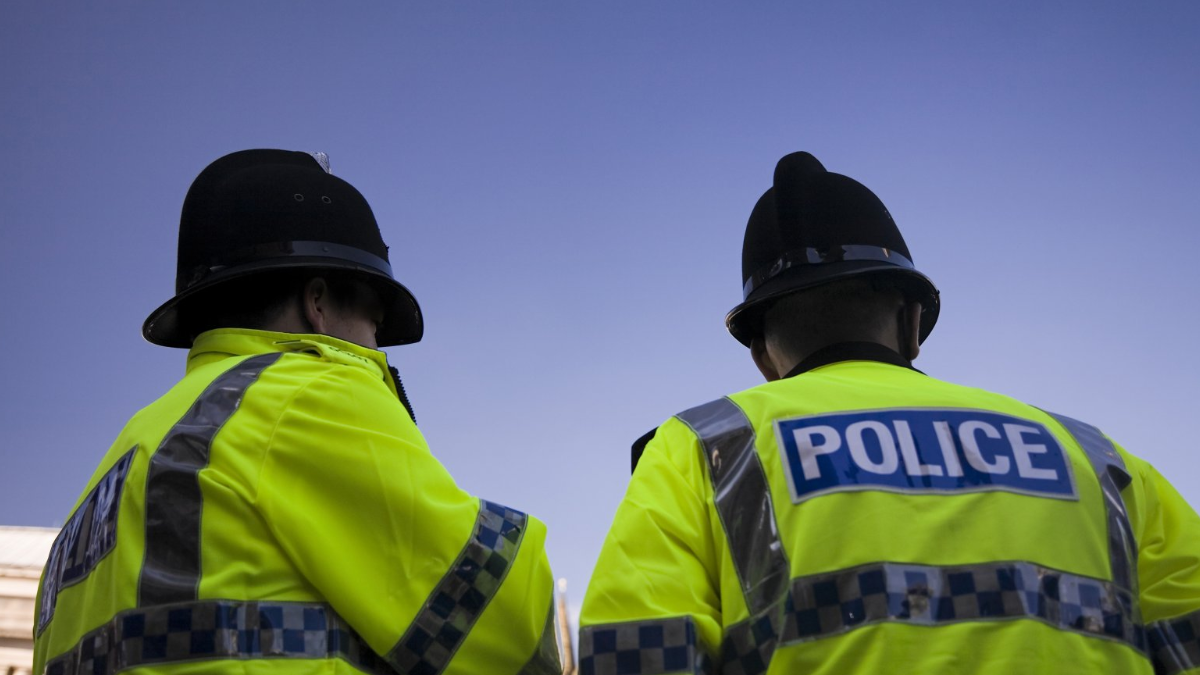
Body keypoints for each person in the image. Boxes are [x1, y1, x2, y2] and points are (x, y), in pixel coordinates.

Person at [578, 151, 1200, 674]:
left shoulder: (704, 448)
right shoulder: (1096, 458)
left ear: (764, 354)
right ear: (911, 322)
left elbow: (636, 653)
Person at [33, 149, 561, 675]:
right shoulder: (302, 393)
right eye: (375, 325)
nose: (379, 349)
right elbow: (501, 628)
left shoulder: (120, 466)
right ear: (319, 302)